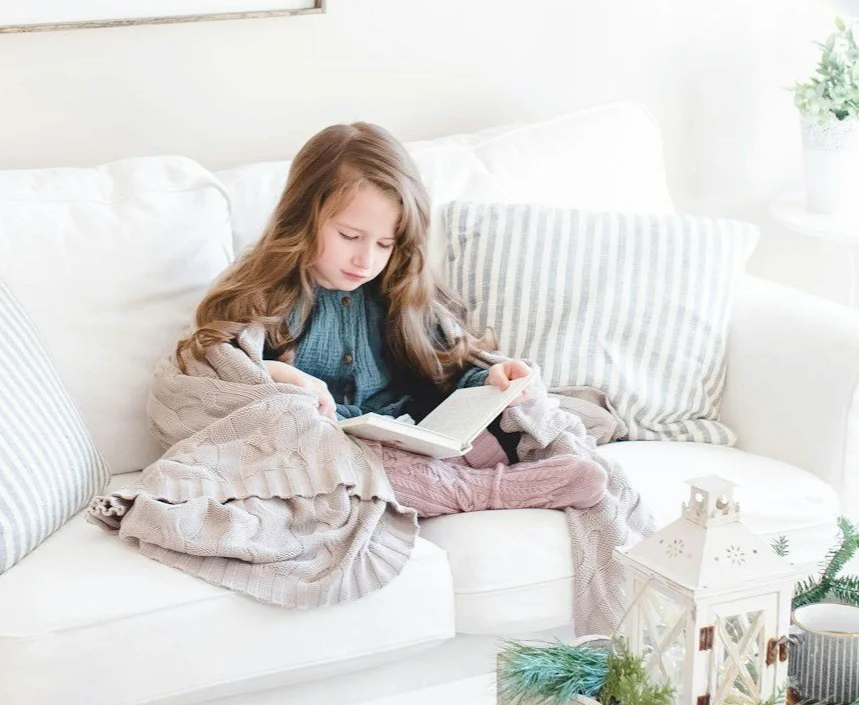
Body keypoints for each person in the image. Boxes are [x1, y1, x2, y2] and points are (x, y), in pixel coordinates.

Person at [175, 121, 609, 515]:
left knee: (493, 431)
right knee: (340, 465)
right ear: (303, 217)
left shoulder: (397, 287)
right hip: (331, 446)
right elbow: (216, 380)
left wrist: (492, 382)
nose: (366, 259)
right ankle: (481, 492)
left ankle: (473, 476)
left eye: (385, 244)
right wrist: (278, 375)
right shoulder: (262, 290)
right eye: (350, 236)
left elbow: (444, 368)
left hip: (408, 433)